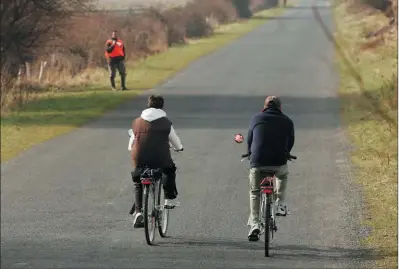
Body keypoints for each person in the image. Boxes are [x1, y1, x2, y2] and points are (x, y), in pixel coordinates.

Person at [128, 94, 184, 228]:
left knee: (138, 181)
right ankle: (169, 199)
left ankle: (138, 212)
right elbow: (175, 141)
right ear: (162, 106)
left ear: (148, 105)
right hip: (160, 157)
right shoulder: (166, 123)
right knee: (169, 170)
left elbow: (131, 145)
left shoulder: (137, 122)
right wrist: (179, 148)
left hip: (139, 157)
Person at [246, 96, 295, 241]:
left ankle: (255, 224)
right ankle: (280, 203)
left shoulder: (255, 118)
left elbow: (250, 140)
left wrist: (250, 153)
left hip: (258, 162)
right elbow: (290, 142)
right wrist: (286, 153)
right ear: (280, 108)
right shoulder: (287, 121)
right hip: (278, 161)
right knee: (282, 175)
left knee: (255, 192)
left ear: (264, 107)